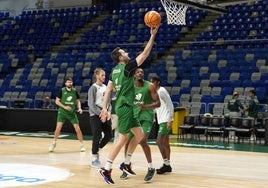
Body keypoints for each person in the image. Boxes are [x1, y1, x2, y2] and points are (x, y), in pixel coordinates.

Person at [98, 25, 159, 184]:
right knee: (123, 137)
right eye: (124, 52)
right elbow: (145, 54)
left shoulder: (113, 71)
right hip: (124, 107)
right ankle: (106, 168)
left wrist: (105, 107)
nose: (127, 53)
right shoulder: (127, 68)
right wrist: (152, 36)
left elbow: (109, 90)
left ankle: (126, 163)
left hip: (126, 106)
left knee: (139, 136)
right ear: (120, 57)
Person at [120, 68, 160, 181]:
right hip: (134, 117)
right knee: (127, 143)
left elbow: (158, 103)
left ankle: (151, 168)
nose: (140, 73)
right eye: (138, 72)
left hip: (147, 117)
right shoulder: (130, 86)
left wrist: (145, 106)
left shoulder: (149, 86)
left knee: (142, 141)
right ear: (134, 74)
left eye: (142, 72)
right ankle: (126, 166)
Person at [48, 77, 86, 152]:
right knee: (58, 128)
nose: (69, 83)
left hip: (72, 113)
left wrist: (80, 108)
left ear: (72, 83)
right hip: (62, 112)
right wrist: (65, 107)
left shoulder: (74, 91)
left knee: (77, 129)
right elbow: (57, 101)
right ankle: (54, 143)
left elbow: (78, 101)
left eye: (70, 82)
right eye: (68, 82)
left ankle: (82, 145)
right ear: (65, 83)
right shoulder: (62, 91)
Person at [88, 68, 113, 168]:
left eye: (104, 75)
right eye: (102, 75)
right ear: (97, 76)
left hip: (104, 112)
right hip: (95, 114)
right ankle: (94, 159)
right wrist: (101, 114)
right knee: (97, 135)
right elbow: (91, 104)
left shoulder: (106, 87)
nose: (104, 77)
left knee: (109, 135)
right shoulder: (93, 88)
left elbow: (109, 102)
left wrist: (108, 112)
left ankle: (96, 149)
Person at [150, 75, 174, 175]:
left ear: (158, 82)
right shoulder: (155, 93)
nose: (151, 84)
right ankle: (168, 165)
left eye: (152, 82)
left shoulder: (162, 91)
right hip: (161, 119)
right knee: (165, 144)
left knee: (159, 142)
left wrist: (170, 120)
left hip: (165, 120)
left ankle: (166, 164)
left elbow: (170, 105)